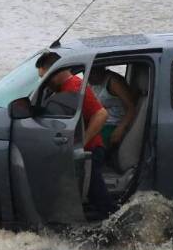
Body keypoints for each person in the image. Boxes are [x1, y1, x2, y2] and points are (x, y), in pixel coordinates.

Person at [35, 52, 117, 222]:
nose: (44, 83)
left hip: (91, 150)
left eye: (45, 78)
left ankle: (114, 225)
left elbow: (101, 114)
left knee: (99, 198)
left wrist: (82, 144)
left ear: (57, 72)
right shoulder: (60, 89)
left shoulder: (75, 87)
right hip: (77, 148)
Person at [88, 66, 137, 155]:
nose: (87, 77)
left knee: (91, 147)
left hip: (113, 124)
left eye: (91, 73)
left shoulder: (113, 82)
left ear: (100, 68)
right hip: (100, 123)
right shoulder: (92, 82)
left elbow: (132, 107)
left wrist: (121, 128)